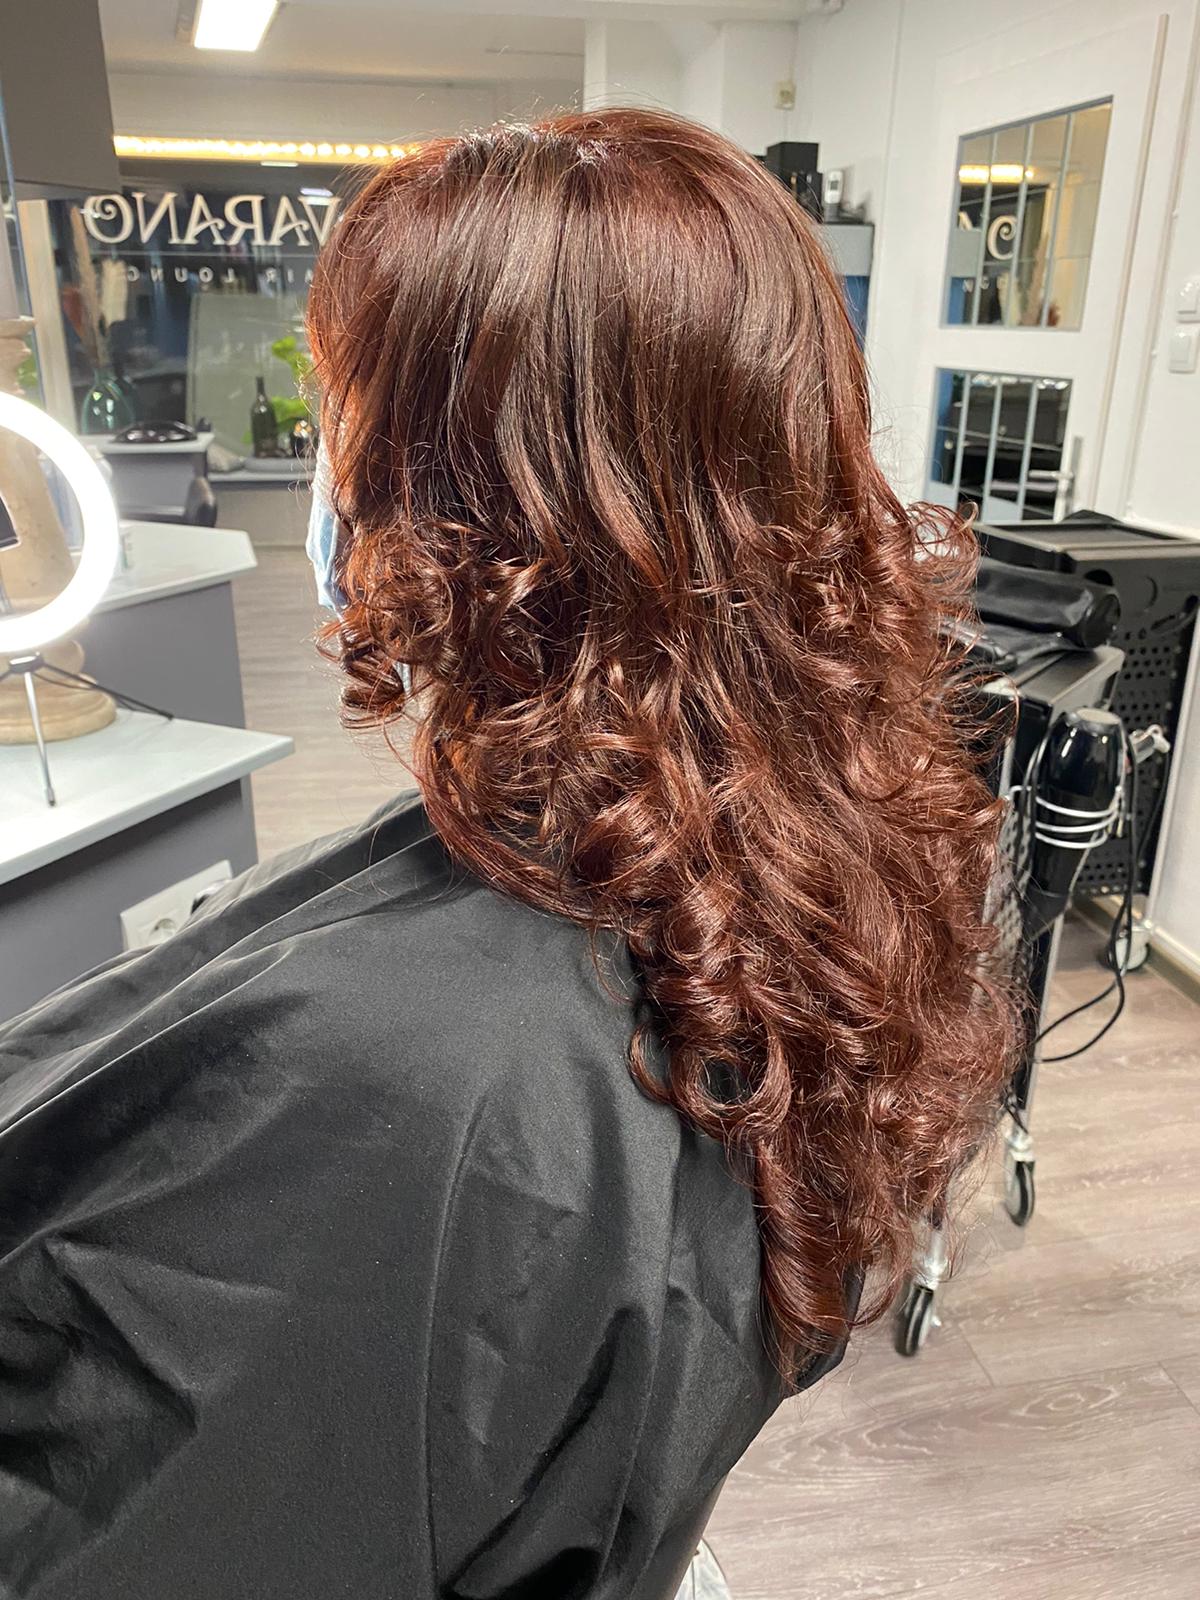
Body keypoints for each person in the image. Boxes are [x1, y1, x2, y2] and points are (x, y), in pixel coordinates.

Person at [0, 110, 1017, 1598]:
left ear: (470, 504)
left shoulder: (426, 1075)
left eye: (343, 409)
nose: (326, 467)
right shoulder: (802, 848)